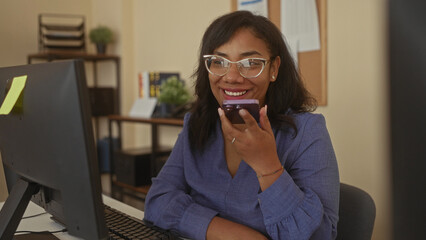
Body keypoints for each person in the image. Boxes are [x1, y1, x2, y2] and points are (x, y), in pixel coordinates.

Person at [144, 11, 339, 240]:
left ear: (273, 69)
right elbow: (158, 201)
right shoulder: (196, 124)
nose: (232, 76)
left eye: (250, 63)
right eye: (219, 62)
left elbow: (321, 235)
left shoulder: (307, 132)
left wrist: (268, 166)